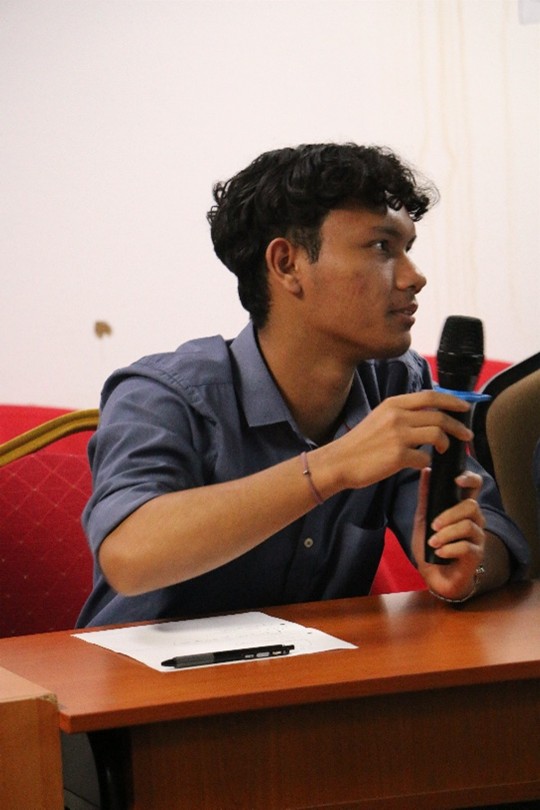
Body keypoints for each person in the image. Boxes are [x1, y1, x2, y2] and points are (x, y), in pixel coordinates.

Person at [77, 142, 529, 628]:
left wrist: (469, 566)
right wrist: (332, 466)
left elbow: (497, 535)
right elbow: (129, 556)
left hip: (318, 670)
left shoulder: (398, 381)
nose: (414, 277)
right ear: (287, 264)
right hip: (143, 672)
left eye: (408, 249)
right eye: (382, 247)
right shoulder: (162, 394)